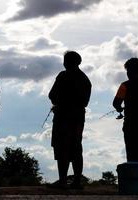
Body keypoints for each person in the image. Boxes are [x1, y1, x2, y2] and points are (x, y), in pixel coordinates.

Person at [48, 51, 91, 189]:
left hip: (63, 117)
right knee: (76, 147)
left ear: (67, 62)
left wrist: (60, 103)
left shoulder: (63, 76)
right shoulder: (85, 79)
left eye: (65, 60)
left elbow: (52, 95)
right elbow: (85, 101)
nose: (64, 63)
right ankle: (77, 181)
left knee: (62, 148)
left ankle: (62, 181)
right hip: (78, 118)